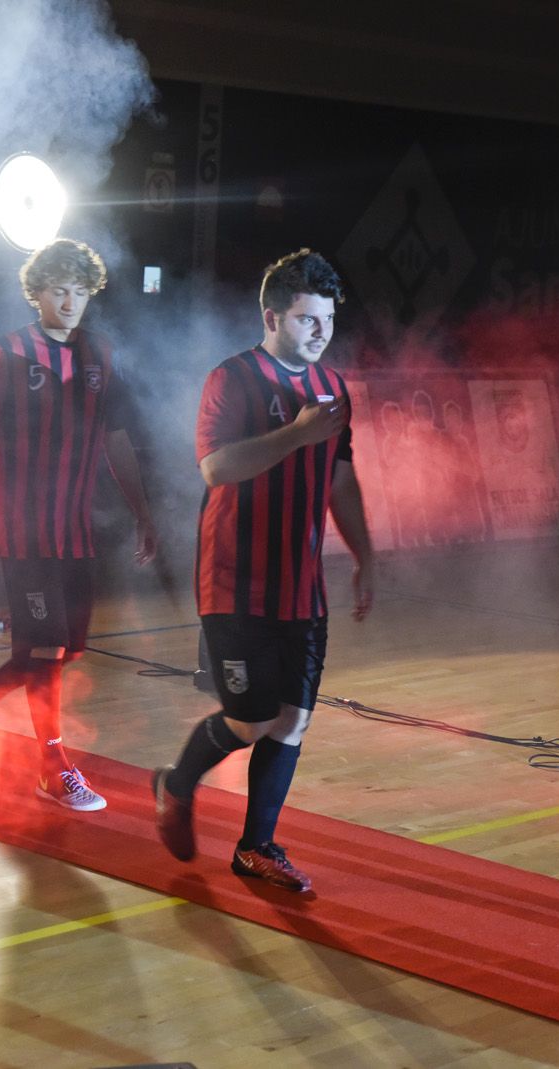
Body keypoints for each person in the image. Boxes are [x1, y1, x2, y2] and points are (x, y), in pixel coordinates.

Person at [153, 248, 374, 892]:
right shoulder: (232, 379)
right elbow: (215, 468)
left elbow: (340, 480)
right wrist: (295, 436)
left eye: (328, 319)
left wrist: (366, 556)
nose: (321, 331)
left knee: (294, 719)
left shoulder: (333, 390)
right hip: (235, 584)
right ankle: (177, 783)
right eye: (307, 319)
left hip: (302, 589)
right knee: (250, 720)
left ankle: (257, 847)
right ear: (272, 317)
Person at [0, 238, 157, 811]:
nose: (70, 302)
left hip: (74, 530)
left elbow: (118, 440)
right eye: (58, 291)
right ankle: (52, 768)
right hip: (22, 529)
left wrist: (143, 513)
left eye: (80, 292)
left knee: (61, 651)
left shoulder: (101, 354)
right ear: (36, 293)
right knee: (46, 650)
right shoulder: (9, 352)